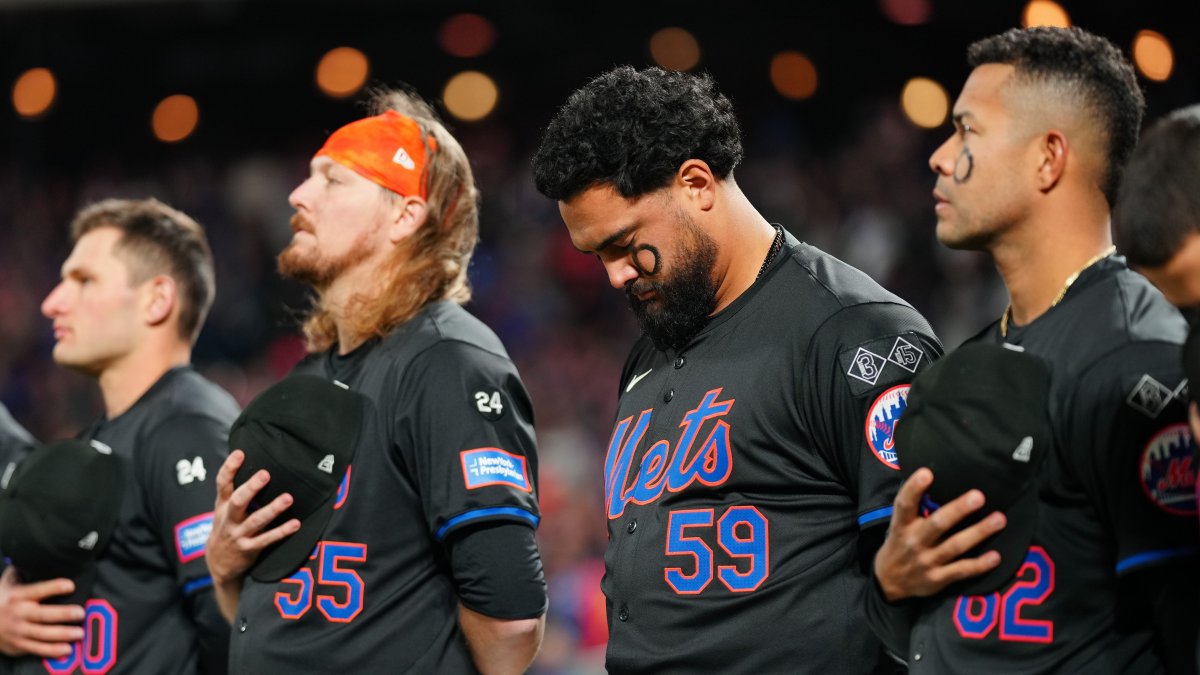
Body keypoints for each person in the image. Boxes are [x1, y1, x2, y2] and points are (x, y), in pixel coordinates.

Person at [532, 66, 942, 673]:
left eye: (623, 244)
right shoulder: (651, 348)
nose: (614, 274)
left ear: (696, 183)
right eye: (597, 256)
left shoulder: (857, 336)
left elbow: (928, 590)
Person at [869, 26, 1199, 672]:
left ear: (1049, 158)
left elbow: (1184, 626)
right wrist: (890, 581)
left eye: (966, 130)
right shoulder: (967, 361)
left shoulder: (1136, 359)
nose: (939, 156)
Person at [204, 88, 547, 674]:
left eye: (333, 180)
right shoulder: (316, 369)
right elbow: (265, 612)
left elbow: (510, 622)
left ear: (405, 216)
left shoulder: (447, 362)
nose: (298, 194)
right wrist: (223, 564)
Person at [0, 198, 237, 674]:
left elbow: (232, 628)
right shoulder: (115, 432)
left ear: (157, 300)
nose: (53, 302)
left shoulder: (184, 428)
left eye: (84, 280)